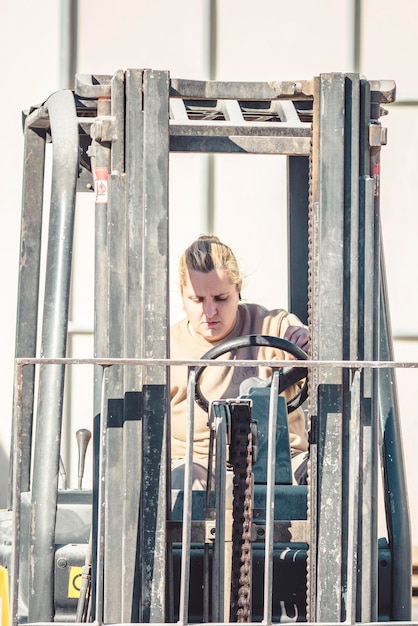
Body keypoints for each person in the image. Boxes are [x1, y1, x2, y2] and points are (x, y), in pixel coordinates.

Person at [170, 235, 309, 488]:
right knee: (183, 483)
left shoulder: (273, 326)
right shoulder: (167, 348)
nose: (209, 312)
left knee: (326, 475)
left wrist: (308, 343)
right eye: (198, 300)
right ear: (182, 294)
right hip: (200, 464)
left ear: (238, 289)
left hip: (284, 462)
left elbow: (312, 349)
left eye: (221, 298)